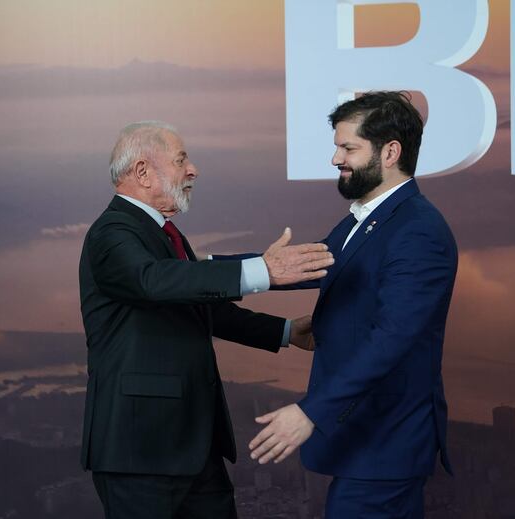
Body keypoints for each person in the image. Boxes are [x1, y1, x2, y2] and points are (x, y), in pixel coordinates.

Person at [78, 121, 334, 519]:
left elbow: (199, 305)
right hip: (140, 453)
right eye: (181, 160)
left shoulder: (162, 233)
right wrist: (262, 271)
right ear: (143, 172)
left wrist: (284, 332)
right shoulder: (111, 232)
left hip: (193, 449)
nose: (193, 170)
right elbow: (155, 281)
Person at [247, 92, 458, 518]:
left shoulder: (418, 231)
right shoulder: (371, 218)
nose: (335, 159)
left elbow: (392, 339)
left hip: (387, 446)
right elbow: (303, 266)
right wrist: (202, 267)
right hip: (370, 447)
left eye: (348, 148)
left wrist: (311, 412)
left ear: (390, 152)